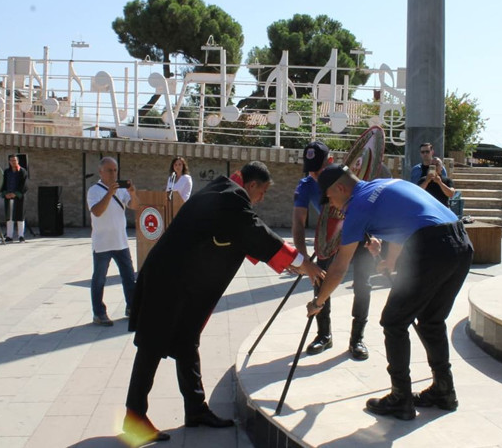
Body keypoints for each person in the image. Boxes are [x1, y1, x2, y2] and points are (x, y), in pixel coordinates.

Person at [123, 161, 324, 446]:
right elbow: (254, 233)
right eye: (263, 191)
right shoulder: (232, 199)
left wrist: (283, 263)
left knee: (186, 341)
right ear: (251, 185)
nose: (262, 198)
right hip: (167, 282)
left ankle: (195, 409)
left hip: (177, 279)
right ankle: (134, 417)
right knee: (152, 346)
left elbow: (236, 236)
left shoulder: (222, 190)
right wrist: (302, 263)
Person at [307, 164, 473, 421]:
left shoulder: (357, 206)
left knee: (394, 321)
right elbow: (406, 221)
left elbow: (339, 268)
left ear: (340, 188)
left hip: (432, 248)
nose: (331, 205)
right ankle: (444, 390)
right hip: (461, 244)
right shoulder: (387, 184)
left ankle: (400, 398)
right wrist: (391, 260)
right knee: (431, 321)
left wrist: (318, 301)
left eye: (329, 198)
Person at [293, 141, 372, 360]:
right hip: (327, 239)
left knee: (363, 286)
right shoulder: (306, 185)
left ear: (330, 161)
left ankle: (357, 338)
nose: (315, 175)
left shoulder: (347, 177)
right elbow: (298, 223)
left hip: (358, 236)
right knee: (320, 281)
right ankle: (323, 335)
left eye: (318, 170)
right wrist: (304, 260)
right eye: (310, 170)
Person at [86, 157, 140, 327]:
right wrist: (109, 193)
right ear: (101, 172)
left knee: (129, 277)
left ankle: (132, 308)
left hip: (120, 242)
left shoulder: (121, 190)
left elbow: (135, 206)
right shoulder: (94, 191)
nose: (113, 173)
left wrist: (132, 193)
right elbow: (97, 212)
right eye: (109, 170)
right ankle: (99, 313)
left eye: (115, 170)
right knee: (99, 279)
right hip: (102, 243)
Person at [2, 154, 28, 242]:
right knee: (9, 217)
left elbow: (24, 185)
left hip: (19, 198)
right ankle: (9, 236)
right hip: (8, 197)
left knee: (20, 217)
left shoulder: (22, 171)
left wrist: (16, 194)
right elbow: (3, 184)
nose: (13, 162)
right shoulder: (6, 172)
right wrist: (5, 193)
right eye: (11, 160)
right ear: (9, 162)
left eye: (15, 160)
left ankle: (21, 235)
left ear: (18, 161)